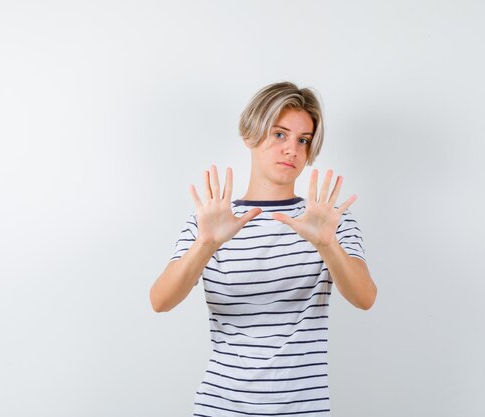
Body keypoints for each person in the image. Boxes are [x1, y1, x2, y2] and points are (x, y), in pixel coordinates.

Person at [150, 81, 377, 416]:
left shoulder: (328, 219)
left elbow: (364, 298)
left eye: (304, 140)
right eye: (279, 134)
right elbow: (160, 301)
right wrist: (207, 243)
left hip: (303, 409)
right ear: (249, 135)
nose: (292, 150)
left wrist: (326, 244)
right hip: (221, 407)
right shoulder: (213, 219)